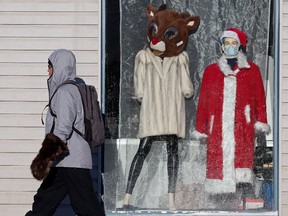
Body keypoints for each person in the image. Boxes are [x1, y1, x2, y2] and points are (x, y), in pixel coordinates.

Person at [122, 4, 200, 211]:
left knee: (162, 153)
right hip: (158, 112)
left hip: (164, 112)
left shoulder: (178, 59)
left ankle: (166, 198)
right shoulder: (144, 57)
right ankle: (130, 197)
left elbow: (185, 89)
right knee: (151, 152)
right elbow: (187, 90)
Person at [25, 49, 105, 216]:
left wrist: (44, 157)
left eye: (49, 66)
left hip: (72, 160)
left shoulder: (65, 92)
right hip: (64, 161)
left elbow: (63, 128)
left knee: (86, 206)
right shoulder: (66, 90)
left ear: (59, 67)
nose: (48, 70)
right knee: (43, 202)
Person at [192, 28, 271, 194]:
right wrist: (201, 127)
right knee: (218, 164)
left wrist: (260, 120)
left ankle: (241, 202)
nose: (230, 46)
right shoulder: (211, 71)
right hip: (218, 128)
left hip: (243, 126)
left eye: (233, 43)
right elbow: (203, 101)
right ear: (221, 46)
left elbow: (260, 98)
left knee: (241, 167)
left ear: (239, 46)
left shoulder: (252, 70)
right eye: (226, 43)